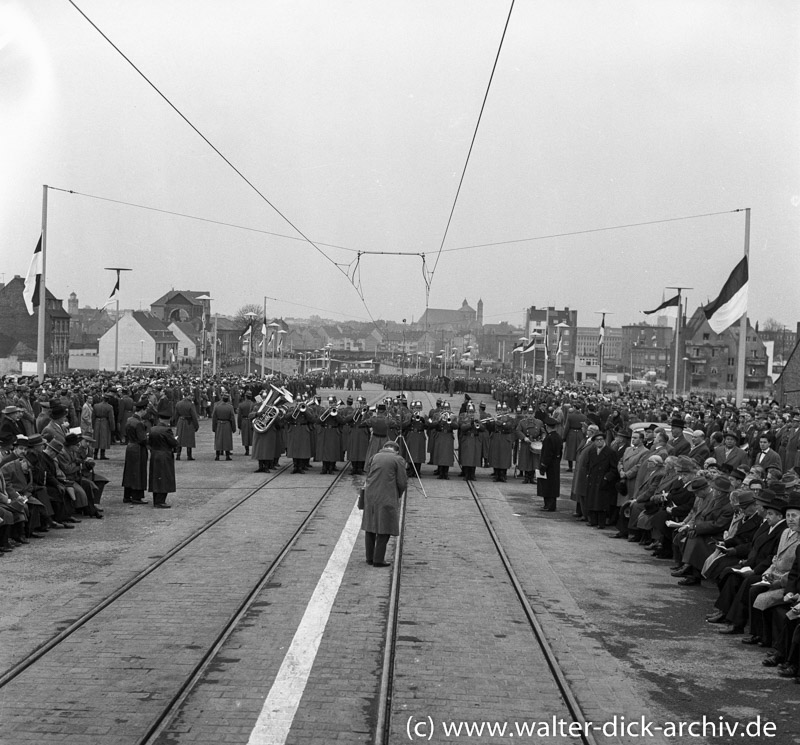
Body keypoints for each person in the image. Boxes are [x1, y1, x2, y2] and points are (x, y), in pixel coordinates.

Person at [361, 441, 407, 567]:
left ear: (384, 448)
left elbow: (367, 473)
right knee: (384, 527)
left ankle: (369, 557)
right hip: (386, 496)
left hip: (370, 496)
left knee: (370, 527)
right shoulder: (398, 459)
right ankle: (378, 559)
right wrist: (398, 494)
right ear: (396, 450)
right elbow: (402, 482)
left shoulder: (374, 457)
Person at [148, 413, 178, 508]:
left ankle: (156, 500)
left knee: (155, 477)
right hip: (165, 455)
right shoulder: (167, 430)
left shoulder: (153, 429)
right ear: (168, 420)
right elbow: (173, 443)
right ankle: (161, 501)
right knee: (165, 477)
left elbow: (149, 442)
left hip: (154, 454)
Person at [122, 400, 149, 504]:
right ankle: (136, 496)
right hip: (138, 449)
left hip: (130, 447)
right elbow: (142, 439)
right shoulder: (138, 423)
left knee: (129, 472)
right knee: (138, 472)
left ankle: (127, 495)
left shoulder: (129, 420)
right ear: (142, 410)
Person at [538, 416, 564, 512]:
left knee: (548, 485)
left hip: (548, 464)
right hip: (555, 463)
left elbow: (547, 454)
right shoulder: (558, 437)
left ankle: (549, 505)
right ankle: (550, 504)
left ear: (547, 427)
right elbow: (560, 452)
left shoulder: (549, 438)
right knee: (554, 484)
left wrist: (543, 465)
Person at [173, 389, 199, 461]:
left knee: (179, 438)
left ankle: (178, 455)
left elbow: (176, 415)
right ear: (188, 396)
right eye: (191, 395)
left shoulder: (178, 403)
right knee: (189, 439)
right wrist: (196, 425)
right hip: (189, 422)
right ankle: (189, 455)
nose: (192, 397)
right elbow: (194, 416)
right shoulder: (191, 404)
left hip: (180, 421)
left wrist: (175, 423)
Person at [211, 394, 237, 461]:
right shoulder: (230, 407)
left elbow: (214, 418)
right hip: (227, 424)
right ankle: (227, 455)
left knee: (218, 440)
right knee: (227, 440)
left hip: (219, 424)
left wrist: (214, 427)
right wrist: (233, 428)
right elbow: (232, 418)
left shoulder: (217, 407)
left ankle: (217, 455)